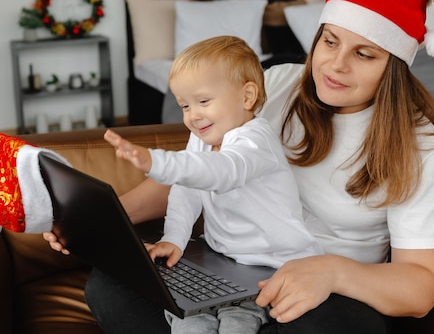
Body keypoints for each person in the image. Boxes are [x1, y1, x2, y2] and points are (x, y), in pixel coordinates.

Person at [44, 0, 434, 334]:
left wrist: (332, 271)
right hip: (234, 266)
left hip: (328, 294)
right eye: (329, 41)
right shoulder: (274, 85)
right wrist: (105, 218)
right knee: (109, 287)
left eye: (364, 54)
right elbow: (201, 170)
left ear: (396, 67)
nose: (335, 64)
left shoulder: (418, 145)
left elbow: (419, 289)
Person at [103, 35, 323, 334]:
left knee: (236, 326)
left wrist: (158, 163)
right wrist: (175, 239)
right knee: (186, 320)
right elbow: (186, 190)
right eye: (184, 106)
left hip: (277, 267)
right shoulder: (203, 138)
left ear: (247, 97)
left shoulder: (255, 141)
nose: (193, 116)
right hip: (224, 263)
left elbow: (223, 172)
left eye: (203, 101)